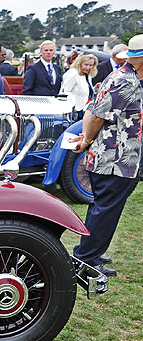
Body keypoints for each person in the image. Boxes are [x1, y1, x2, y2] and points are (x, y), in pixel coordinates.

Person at [70, 34, 143, 277]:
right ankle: (86, 259)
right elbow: (96, 114)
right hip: (114, 159)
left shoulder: (128, 78)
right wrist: (87, 139)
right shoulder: (126, 81)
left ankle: (91, 252)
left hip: (121, 159)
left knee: (104, 209)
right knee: (105, 209)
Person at [60, 54, 99, 119]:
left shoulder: (87, 75)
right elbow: (64, 92)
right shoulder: (73, 73)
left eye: (91, 65)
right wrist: (73, 106)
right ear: (79, 63)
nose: (88, 68)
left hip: (83, 110)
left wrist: (94, 89)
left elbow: (85, 91)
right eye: (86, 65)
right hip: (73, 112)